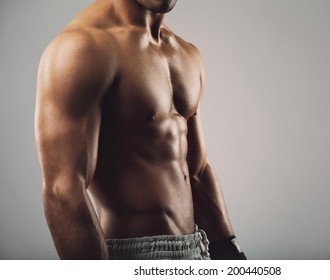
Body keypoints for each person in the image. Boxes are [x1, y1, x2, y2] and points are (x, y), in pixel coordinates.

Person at [35, 0, 246, 260]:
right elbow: (63, 191)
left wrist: (229, 253)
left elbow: (198, 171)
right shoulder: (81, 48)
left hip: (196, 251)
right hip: (130, 255)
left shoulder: (186, 53)